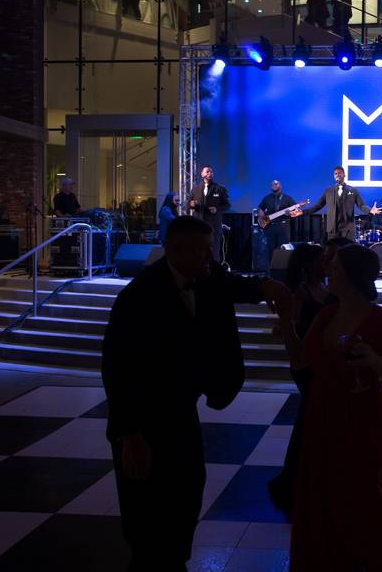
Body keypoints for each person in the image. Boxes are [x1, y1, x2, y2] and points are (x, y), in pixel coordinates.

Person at [101, 215, 292, 570]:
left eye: (209, 250)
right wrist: (131, 435)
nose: (209, 257)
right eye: (202, 250)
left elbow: (235, 285)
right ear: (175, 250)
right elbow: (117, 369)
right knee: (145, 506)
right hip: (142, 419)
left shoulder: (206, 276)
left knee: (187, 488)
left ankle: (175, 559)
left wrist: (267, 286)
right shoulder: (138, 297)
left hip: (179, 409)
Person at [277, 244, 382, 571]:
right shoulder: (325, 314)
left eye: (334, 269)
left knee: (363, 493)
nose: (327, 273)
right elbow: (301, 361)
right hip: (322, 414)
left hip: (362, 419)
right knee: (325, 494)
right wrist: (287, 322)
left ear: (351, 275)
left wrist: (374, 360)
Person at [268, 243, 330, 518]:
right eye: (321, 260)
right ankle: (293, 484)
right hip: (305, 362)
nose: (326, 264)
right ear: (307, 265)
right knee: (309, 417)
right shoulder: (302, 292)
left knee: (310, 420)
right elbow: (288, 327)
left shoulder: (321, 288)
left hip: (316, 359)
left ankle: (302, 481)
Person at [300, 166, 381, 241]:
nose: (337, 175)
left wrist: (370, 210)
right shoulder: (328, 191)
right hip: (333, 228)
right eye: (335, 173)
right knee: (333, 252)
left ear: (344, 174)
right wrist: (303, 212)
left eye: (339, 173)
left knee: (347, 252)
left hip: (348, 228)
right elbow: (318, 206)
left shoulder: (352, 190)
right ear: (333, 176)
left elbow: (361, 205)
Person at [188, 166, 230, 264]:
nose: (209, 173)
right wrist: (191, 204)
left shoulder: (219, 189)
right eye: (207, 171)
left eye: (211, 171)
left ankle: (215, 271)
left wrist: (217, 209)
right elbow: (189, 203)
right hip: (199, 225)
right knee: (198, 248)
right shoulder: (195, 189)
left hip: (213, 226)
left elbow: (227, 205)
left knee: (214, 250)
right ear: (202, 174)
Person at [257, 179, 300, 265]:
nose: (274, 185)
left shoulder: (288, 198)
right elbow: (260, 208)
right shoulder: (267, 198)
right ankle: (271, 271)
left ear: (280, 185)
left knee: (283, 250)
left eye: (276, 184)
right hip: (270, 227)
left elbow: (297, 210)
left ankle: (282, 271)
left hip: (283, 227)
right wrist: (262, 217)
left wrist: (291, 213)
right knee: (270, 250)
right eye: (272, 184)